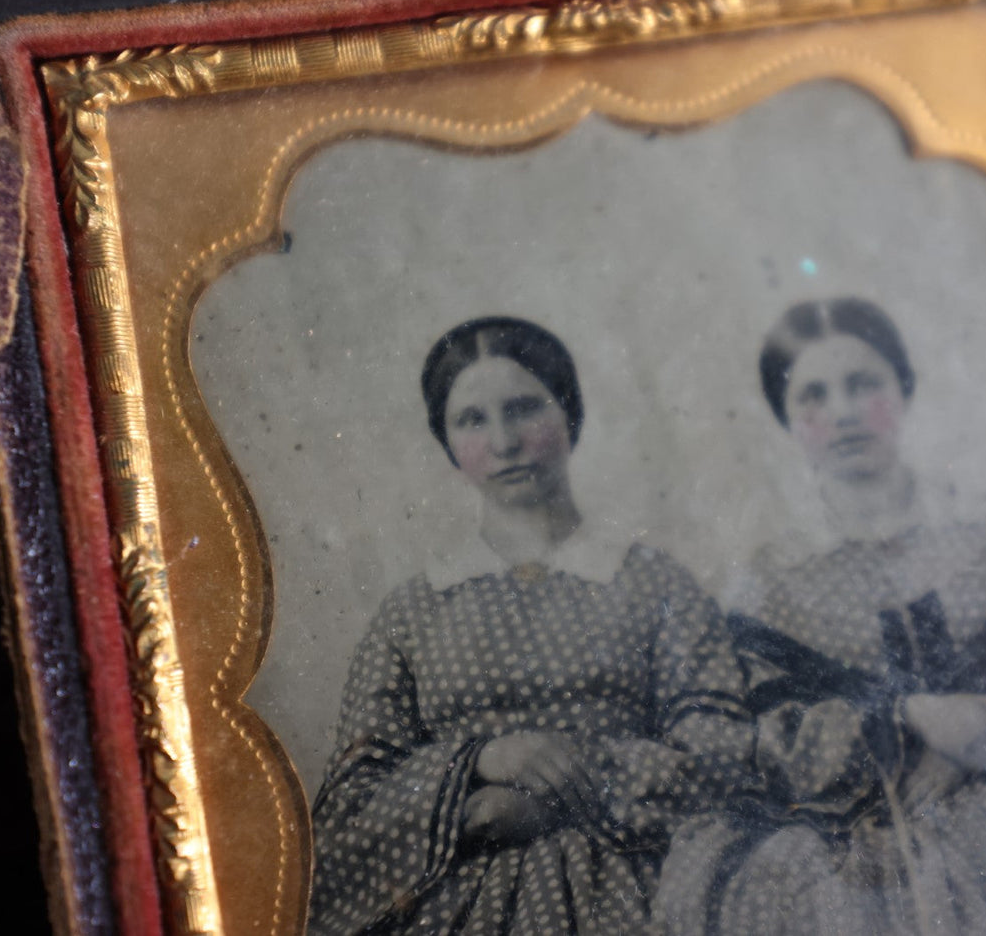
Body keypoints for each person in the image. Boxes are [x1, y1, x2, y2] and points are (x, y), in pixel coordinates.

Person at [660, 298, 986, 935]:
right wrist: (907, 716)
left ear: (903, 389)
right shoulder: (772, 588)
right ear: (787, 420)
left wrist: (979, 732)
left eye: (862, 384)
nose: (842, 412)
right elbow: (767, 736)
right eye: (812, 395)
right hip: (854, 838)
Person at [308, 317, 752, 935]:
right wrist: (479, 763)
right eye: (473, 420)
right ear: (448, 443)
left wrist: (560, 795)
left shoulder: (651, 582)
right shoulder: (414, 610)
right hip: (451, 900)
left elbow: (722, 753)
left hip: (643, 880)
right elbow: (350, 806)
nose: (505, 441)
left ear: (567, 414)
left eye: (524, 409)